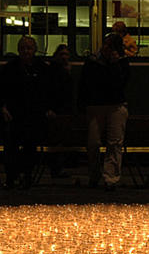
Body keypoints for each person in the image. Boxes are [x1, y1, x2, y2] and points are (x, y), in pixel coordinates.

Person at [0, 35, 52, 189]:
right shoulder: (12, 68)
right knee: (12, 147)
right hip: (16, 113)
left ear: (34, 50)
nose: (26, 51)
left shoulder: (40, 68)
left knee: (29, 147)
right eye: (23, 48)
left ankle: (25, 175)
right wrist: (3, 107)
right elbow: (0, 89)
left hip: (33, 114)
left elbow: (48, 91)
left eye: (29, 48)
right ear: (19, 50)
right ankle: (13, 176)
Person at [78, 33, 130, 190]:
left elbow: (120, 84)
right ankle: (99, 175)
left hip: (109, 105)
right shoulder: (95, 62)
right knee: (95, 143)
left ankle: (109, 178)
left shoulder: (119, 63)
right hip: (103, 105)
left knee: (113, 143)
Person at [47, 44, 75, 178]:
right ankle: (57, 167)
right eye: (62, 54)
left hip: (61, 109)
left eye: (66, 55)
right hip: (59, 109)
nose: (64, 57)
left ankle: (57, 167)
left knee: (58, 139)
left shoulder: (53, 68)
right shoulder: (58, 70)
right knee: (58, 139)